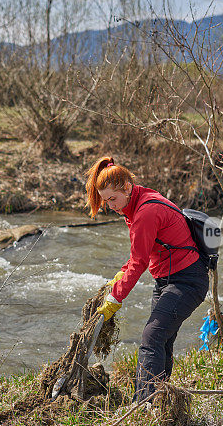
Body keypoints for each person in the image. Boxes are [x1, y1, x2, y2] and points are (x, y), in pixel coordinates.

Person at [85, 156, 209, 402]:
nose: (110, 205)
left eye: (112, 199)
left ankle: (143, 405)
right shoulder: (134, 204)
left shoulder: (146, 211)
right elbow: (137, 255)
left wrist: (115, 297)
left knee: (152, 337)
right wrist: (119, 276)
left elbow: (140, 262)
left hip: (187, 280)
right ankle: (160, 399)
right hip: (166, 280)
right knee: (161, 339)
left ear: (127, 188)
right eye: (105, 200)